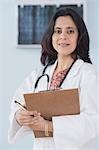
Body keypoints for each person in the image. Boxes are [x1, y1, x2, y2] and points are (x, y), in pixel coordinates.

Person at [8, 7, 99, 150]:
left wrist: (48, 126)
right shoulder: (39, 74)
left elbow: (93, 121)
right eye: (58, 31)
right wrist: (19, 116)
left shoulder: (87, 73)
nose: (63, 36)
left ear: (79, 36)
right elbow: (17, 103)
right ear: (51, 36)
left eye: (70, 31)